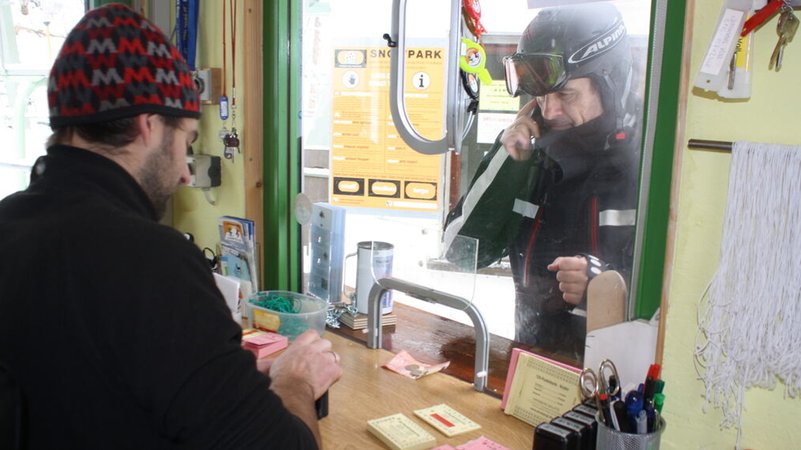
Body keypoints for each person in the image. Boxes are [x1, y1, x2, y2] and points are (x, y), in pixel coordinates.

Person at [0, 4, 341, 449]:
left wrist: (219, 375)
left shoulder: (10, 224)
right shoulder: (152, 261)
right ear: (148, 125)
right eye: (186, 142)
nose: (185, 172)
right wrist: (294, 381)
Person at [444, 3, 640, 361]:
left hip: (617, 376)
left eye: (565, 95)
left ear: (608, 83)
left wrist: (608, 284)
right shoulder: (534, 153)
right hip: (533, 362)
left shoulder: (647, 162)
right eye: (541, 96)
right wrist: (509, 161)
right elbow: (460, 253)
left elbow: (677, 291)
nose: (549, 112)